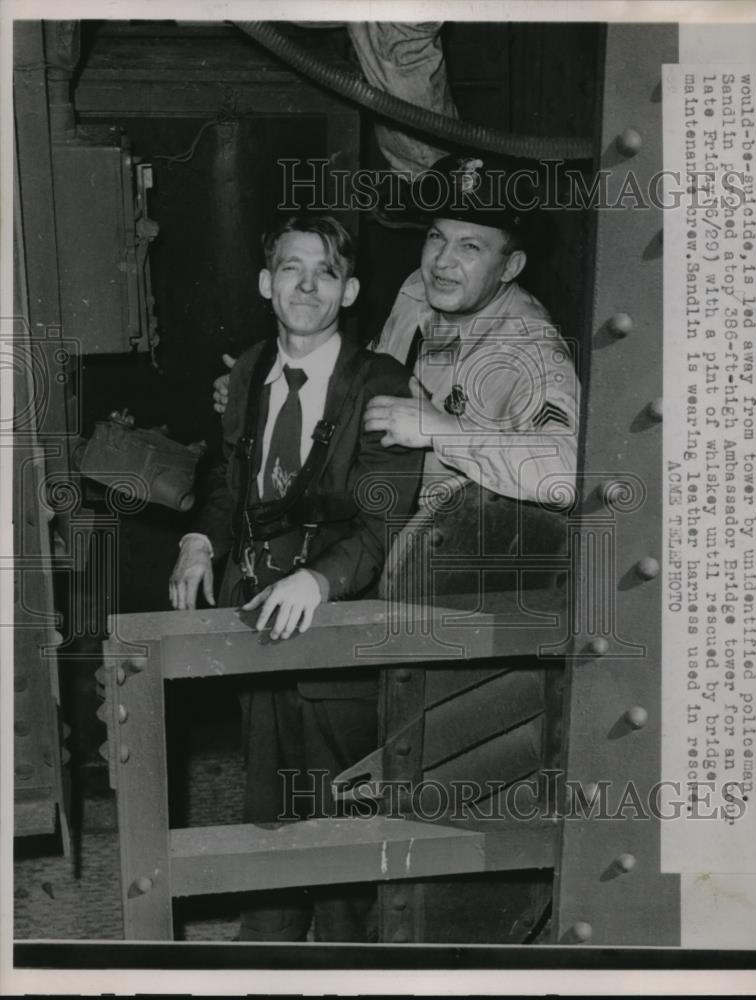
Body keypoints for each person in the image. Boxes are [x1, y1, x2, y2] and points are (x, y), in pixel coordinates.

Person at [169, 214, 423, 942]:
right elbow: (230, 480)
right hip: (257, 613)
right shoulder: (250, 370)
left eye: (324, 272)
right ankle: (269, 941)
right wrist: (197, 542)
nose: (306, 285)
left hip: (339, 620)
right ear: (265, 283)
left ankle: (349, 956)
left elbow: (381, 526)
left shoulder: (382, 382)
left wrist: (316, 583)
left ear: (349, 291)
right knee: (268, 796)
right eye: (290, 268)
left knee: (339, 803)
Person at [215, 154, 579, 504]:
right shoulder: (417, 291)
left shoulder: (533, 348)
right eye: (437, 237)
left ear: (510, 267)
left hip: (443, 539)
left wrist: (440, 430)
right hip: (368, 496)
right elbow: (360, 377)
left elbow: (566, 473)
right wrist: (267, 385)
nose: (442, 262)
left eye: (469, 246)